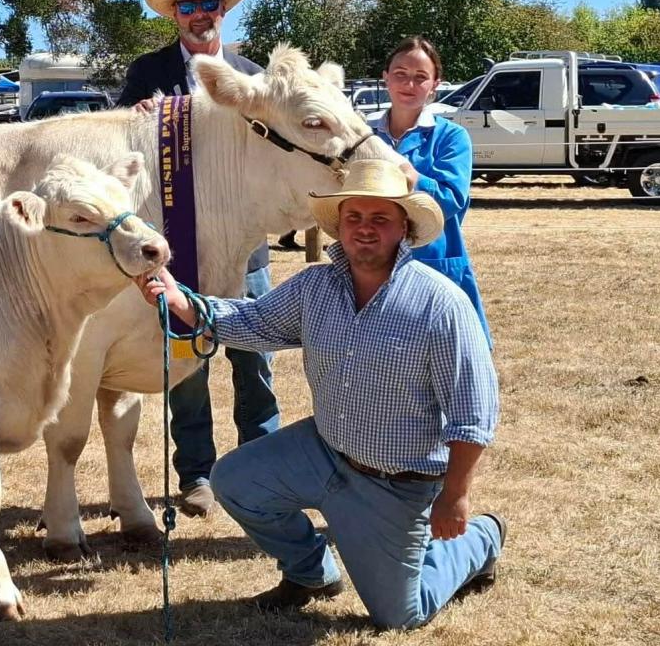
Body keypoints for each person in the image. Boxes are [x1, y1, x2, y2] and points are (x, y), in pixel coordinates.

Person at [135, 159, 504, 630]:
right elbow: (251, 322)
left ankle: (482, 539)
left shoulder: (440, 304)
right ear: (339, 225)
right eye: (354, 218)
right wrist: (181, 300)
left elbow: (473, 414)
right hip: (324, 450)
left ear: (404, 229)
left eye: (380, 219)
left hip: (397, 483)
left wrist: (455, 498)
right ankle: (310, 575)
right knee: (233, 481)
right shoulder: (315, 286)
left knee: (400, 616)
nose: (364, 230)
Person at [116, 0, 277, 518]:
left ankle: (261, 470)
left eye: (208, 4)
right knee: (188, 364)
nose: (199, 15)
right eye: (187, 7)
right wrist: (132, 121)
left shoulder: (253, 77)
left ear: (223, 10)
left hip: (246, 247)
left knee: (254, 360)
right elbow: (122, 157)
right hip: (178, 244)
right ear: (175, 16)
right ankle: (197, 476)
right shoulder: (146, 75)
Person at [369, 35, 491, 344]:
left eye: (420, 77)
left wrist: (413, 177)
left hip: (434, 263)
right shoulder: (363, 136)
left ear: (435, 84)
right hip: (370, 265)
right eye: (400, 74)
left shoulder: (452, 137)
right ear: (385, 77)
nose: (409, 83)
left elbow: (451, 199)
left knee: (449, 359)